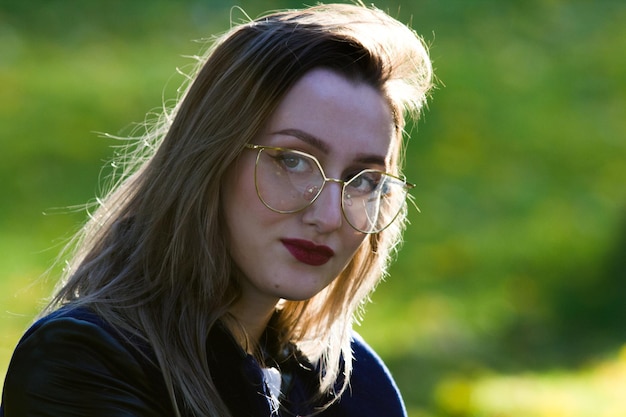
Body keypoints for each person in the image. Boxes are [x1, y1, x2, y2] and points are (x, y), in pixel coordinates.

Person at [1, 2, 433, 416]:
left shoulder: (352, 385)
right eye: (292, 160)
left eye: (365, 179)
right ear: (209, 161)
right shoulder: (82, 363)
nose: (329, 217)